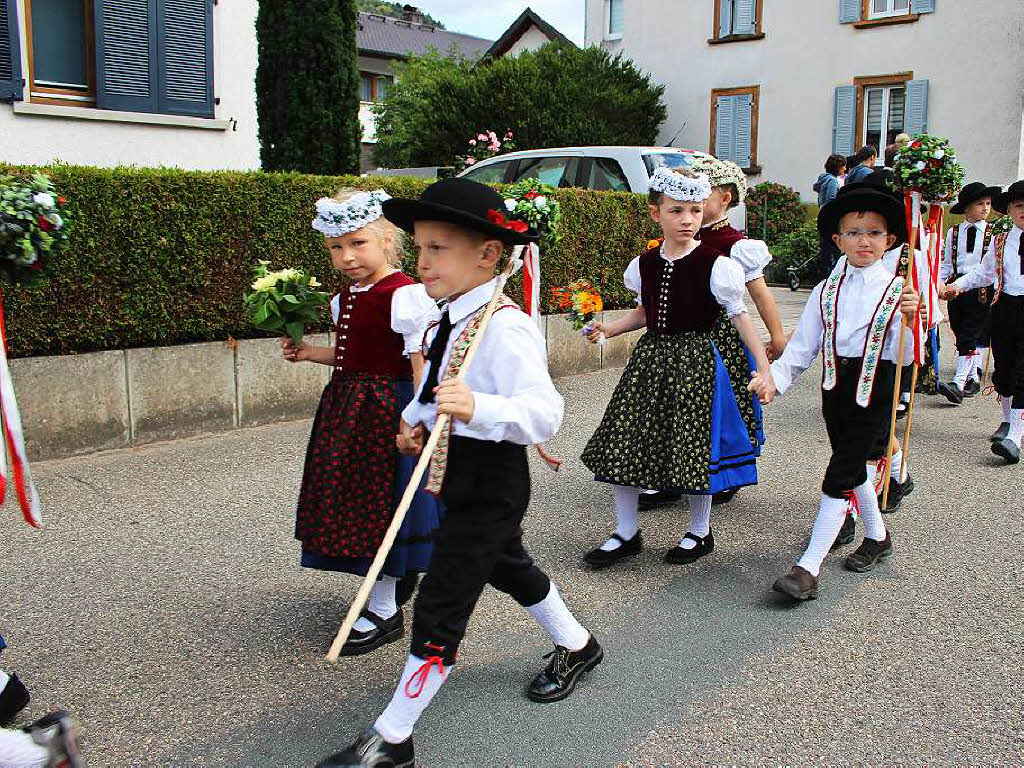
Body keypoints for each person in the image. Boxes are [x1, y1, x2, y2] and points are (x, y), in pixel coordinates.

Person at [316, 178, 602, 768]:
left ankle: (394, 737)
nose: (422, 263)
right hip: (450, 477)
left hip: (492, 484)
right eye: (419, 249)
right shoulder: (444, 319)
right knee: (508, 565)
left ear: (488, 254)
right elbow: (432, 388)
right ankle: (579, 643)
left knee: (441, 604)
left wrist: (481, 408)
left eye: (438, 249)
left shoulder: (505, 326)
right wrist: (413, 421)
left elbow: (545, 413)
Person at [579, 167, 775, 570]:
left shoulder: (717, 264)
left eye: (695, 211)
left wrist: (765, 367)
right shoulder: (645, 262)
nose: (687, 219)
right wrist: (609, 328)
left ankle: (700, 530)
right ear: (656, 213)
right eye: (677, 211)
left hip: (697, 361)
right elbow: (645, 312)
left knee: (693, 445)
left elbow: (741, 318)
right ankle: (626, 532)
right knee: (626, 439)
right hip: (652, 360)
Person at [285, 189, 442, 656]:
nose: (347, 256)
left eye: (357, 244)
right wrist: (309, 353)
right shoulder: (344, 298)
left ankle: (385, 607)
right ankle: (387, 588)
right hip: (347, 406)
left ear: (387, 243)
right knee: (354, 498)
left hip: (387, 408)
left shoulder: (406, 296)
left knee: (384, 503)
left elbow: (419, 363)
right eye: (336, 247)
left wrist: (418, 415)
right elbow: (351, 354)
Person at [766, 180, 919, 600]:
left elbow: (906, 359)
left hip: (877, 388)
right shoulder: (824, 290)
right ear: (838, 240)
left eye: (873, 232)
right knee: (853, 469)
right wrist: (774, 381)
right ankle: (878, 536)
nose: (863, 241)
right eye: (853, 232)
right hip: (835, 387)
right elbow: (802, 347)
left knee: (840, 471)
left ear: (889, 240)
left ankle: (807, 568)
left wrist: (910, 320)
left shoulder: (898, 291)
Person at [640, 156, 782, 512]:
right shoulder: (681, 237)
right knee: (672, 408)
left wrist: (777, 337)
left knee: (721, 410)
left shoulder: (735, 245)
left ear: (725, 198)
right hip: (677, 340)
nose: (695, 207)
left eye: (705, 196)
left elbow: (758, 297)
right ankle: (670, 474)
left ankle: (720, 474)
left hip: (722, 343)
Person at [944, 181, 1024, 464]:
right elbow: (984, 273)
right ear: (1011, 211)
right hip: (1005, 307)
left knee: (1022, 371)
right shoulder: (1001, 241)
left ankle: (1015, 436)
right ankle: (1007, 422)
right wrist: (956, 286)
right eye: (1018, 205)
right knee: (1003, 371)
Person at [936, 182, 1000, 404]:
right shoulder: (954, 232)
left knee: (971, 333)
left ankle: (958, 381)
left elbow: (994, 266)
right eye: (980, 204)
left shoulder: (993, 233)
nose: (985, 208)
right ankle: (972, 377)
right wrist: (940, 284)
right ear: (966, 208)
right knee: (959, 329)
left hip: (982, 288)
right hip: (957, 288)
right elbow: (946, 264)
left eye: (988, 204)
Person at [814, 154, 848, 276]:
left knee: (825, 248)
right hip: (830, 218)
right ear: (838, 167)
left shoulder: (824, 179)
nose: (845, 169)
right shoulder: (833, 181)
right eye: (843, 166)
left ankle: (823, 273)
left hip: (822, 215)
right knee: (832, 248)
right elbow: (831, 199)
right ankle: (830, 274)